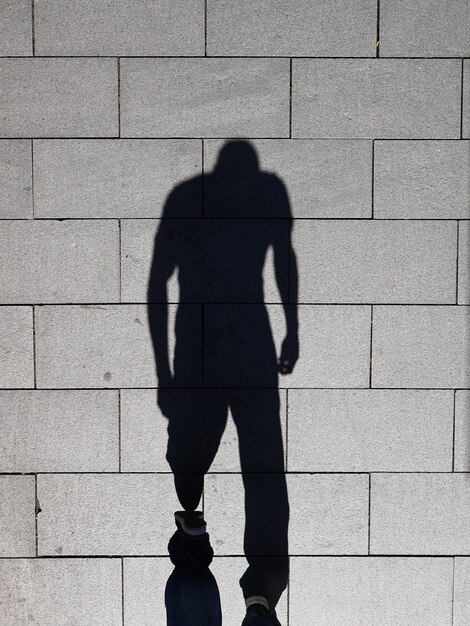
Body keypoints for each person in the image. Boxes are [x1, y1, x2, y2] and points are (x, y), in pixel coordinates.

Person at [147, 140, 299, 625]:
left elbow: (158, 282)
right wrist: (291, 326)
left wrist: (163, 372)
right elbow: (283, 258)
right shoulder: (267, 191)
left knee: (197, 439)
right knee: (263, 459)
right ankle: (258, 588)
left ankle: (191, 518)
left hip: (198, 337)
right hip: (250, 334)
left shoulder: (186, 196)